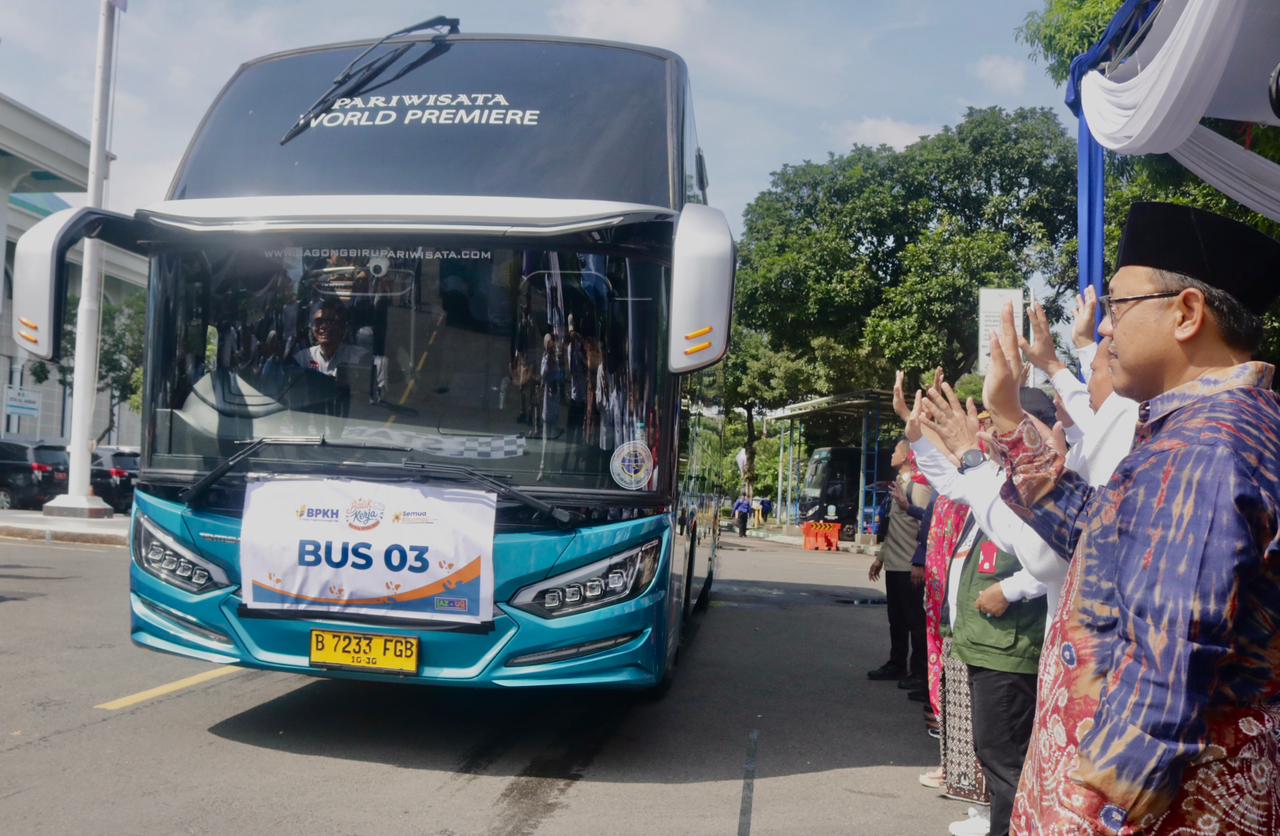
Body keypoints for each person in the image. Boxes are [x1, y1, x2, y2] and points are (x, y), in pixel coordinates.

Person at [938, 203, 1280, 835]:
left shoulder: (1203, 448)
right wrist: (1010, 421)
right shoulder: (1204, 431)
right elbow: (1101, 532)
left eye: (1118, 309)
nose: (1104, 334)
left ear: (1186, 313)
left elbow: (1168, 667)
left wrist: (1095, 815)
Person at [866, 438, 933, 691]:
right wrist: (880, 558)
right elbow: (894, 528)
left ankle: (919, 671)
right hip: (895, 564)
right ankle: (896, 663)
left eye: (896, 450)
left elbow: (928, 526)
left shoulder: (918, 487)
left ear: (907, 455)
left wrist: (921, 561)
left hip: (910, 567)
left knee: (915, 621)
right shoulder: (900, 485)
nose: (892, 453)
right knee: (896, 619)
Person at [291, 300, 372, 377]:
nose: (323, 326)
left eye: (330, 321)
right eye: (319, 321)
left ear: (343, 327)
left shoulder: (359, 358)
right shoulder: (302, 359)